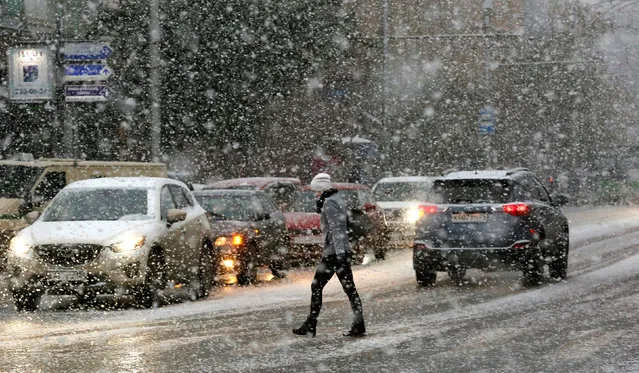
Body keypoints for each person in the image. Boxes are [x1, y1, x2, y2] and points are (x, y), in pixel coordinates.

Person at [292, 173, 366, 338]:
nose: (314, 194)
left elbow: (336, 230)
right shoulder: (336, 198)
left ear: (321, 189)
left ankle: (312, 324)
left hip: (334, 253)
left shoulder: (329, 203)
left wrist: (339, 254)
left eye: (315, 191)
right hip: (340, 251)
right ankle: (358, 324)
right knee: (349, 289)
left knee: (317, 287)